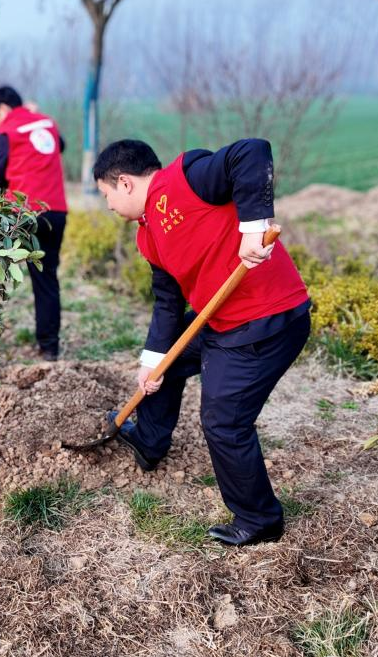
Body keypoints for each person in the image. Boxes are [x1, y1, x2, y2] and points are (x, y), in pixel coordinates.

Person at [92, 138, 311, 547]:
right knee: (167, 365)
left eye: (106, 195)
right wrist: (151, 361)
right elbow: (168, 304)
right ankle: (149, 440)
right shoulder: (148, 238)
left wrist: (253, 227)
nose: (108, 207)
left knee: (224, 423)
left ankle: (259, 519)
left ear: (124, 183)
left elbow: (253, 151)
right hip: (223, 318)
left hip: (266, 322)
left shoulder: (185, 179)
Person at [0, 86, 67, 361]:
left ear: (3, 108)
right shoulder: (48, 123)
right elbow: (60, 146)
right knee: (46, 280)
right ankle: (49, 348)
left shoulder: (4, 132)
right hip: (55, 212)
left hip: (22, 214)